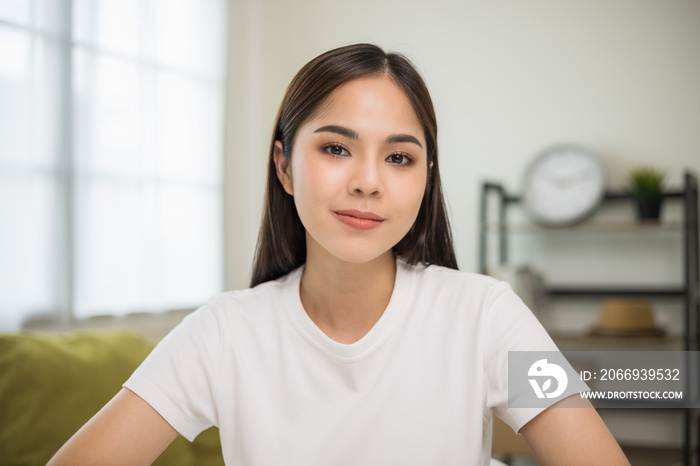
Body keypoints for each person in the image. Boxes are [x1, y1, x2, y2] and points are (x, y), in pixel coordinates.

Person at [49, 43, 629, 465]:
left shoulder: (487, 315)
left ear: (427, 176)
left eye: (399, 157)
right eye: (335, 148)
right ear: (284, 166)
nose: (368, 182)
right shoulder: (223, 333)